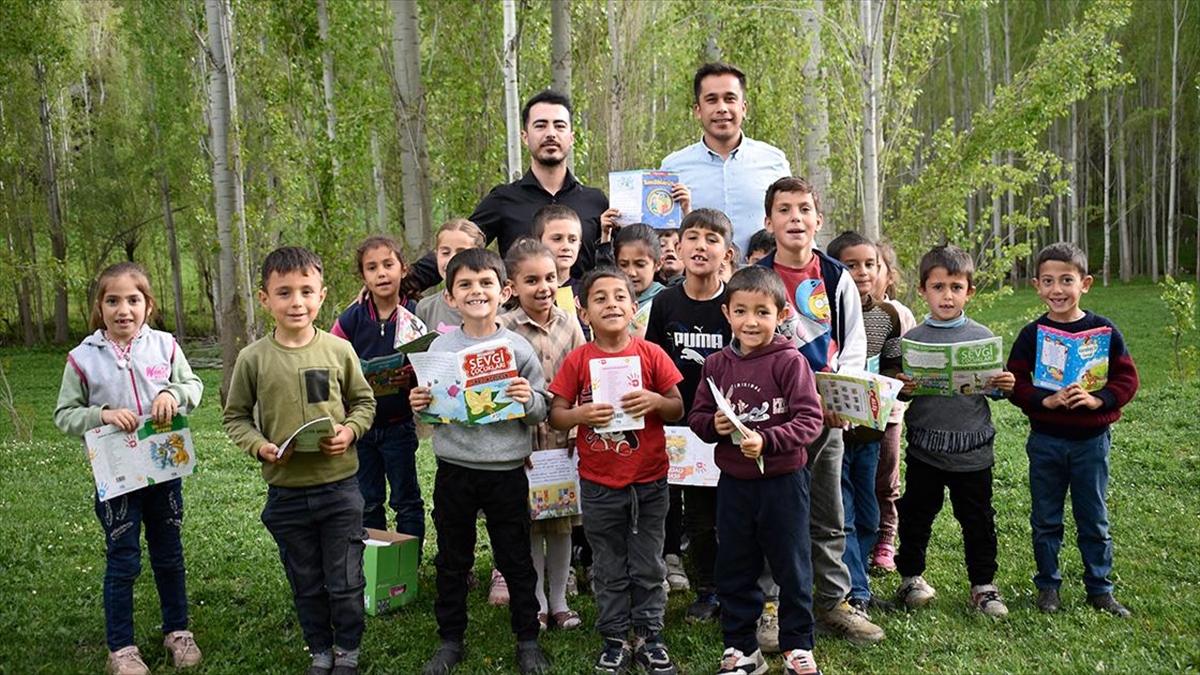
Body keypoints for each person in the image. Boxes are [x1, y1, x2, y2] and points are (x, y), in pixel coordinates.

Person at [223, 246, 377, 675]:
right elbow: (235, 417)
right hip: (286, 492)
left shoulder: (338, 351)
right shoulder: (253, 359)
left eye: (306, 292)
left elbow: (363, 403)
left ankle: (347, 648)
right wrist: (260, 446)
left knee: (345, 578)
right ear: (264, 298)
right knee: (305, 580)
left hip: (340, 487)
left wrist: (348, 431)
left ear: (322, 295)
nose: (296, 302)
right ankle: (320, 650)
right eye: (284, 292)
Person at [54, 262, 205, 675]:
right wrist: (100, 415)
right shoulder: (83, 359)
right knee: (123, 558)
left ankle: (178, 631)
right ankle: (121, 648)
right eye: (113, 300)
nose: (124, 309)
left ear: (148, 305)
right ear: (99, 308)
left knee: (169, 553)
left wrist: (173, 394)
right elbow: (64, 414)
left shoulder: (165, 346)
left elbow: (194, 386)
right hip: (117, 476)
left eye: (133, 300)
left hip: (163, 469)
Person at [411, 248, 551, 675]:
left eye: (486, 282)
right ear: (450, 297)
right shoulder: (439, 347)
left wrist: (530, 400)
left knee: (515, 559)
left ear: (504, 291)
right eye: (465, 285)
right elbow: (428, 406)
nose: (476, 291)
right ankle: (450, 639)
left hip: (506, 471)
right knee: (453, 559)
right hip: (455, 469)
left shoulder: (517, 347)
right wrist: (418, 403)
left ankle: (528, 640)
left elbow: (541, 409)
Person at [756, 177, 882, 645]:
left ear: (817, 220)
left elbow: (852, 344)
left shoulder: (834, 276)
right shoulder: (757, 278)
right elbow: (743, 342)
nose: (795, 218)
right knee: (771, 512)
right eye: (784, 210)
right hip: (769, 420)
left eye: (803, 209)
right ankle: (769, 606)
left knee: (827, 513)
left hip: (823, 418)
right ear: (768, 222)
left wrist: (834, 400)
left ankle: (833, 602)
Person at [689, 266, 826, 675]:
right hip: (734, 484)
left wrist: (768, 441)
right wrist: (713, 425)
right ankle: (741, 648)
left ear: (781, 315)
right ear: (727, 313)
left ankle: (797, 647)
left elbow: (809, 421)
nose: (751, 321)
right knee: (734, 564)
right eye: (742, 311)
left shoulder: (790, 362)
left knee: (792, 564)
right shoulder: (715, 364)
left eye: (762, 312)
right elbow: (697, 416)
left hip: (784, 482)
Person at [549, 267, 684, 675]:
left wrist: (654, 402)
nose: (611, 304)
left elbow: (677, 406)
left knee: (648, 563)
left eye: (620, 297)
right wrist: (580, 413)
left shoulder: (651, 354)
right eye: (600, 298)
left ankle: (648, 635)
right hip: (598, 483)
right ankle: (614, 637)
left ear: (633, 308)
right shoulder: (578, 360)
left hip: (649, 481)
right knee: (607, 564)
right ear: (584, 313)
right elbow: (556, 415)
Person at [1005, 242, 1139, 617]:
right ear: (1036, 285)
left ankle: (1100, 588)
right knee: (1046, 518)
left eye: (1067, 280)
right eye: (1048, 281)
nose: (1057, 289)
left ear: (1086, 283)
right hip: (1046, 441)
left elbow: (1128, 378)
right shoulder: (1033, 334)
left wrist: (1100, 400)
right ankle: (1048, 586)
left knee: (1093, 517)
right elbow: (1014, 379)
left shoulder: (1103, 330)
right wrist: (1040, 400)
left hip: (1090, 443)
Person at [892, 244, 1015, 619]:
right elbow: (901, 391)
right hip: (925, 447)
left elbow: (995, 390)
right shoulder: (913, 340)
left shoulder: (981, 335)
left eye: (956, 287)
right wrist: (903, 387)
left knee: (977, 519)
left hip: (973, 449)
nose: (947, 295)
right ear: (923, 290)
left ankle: (983, 587)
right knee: (916, 515)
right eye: (938, 286)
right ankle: (911, 578)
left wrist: (1003, 385)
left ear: (969, 291)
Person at [404, 90, 612, 293]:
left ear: (571, 137)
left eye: (559, 126)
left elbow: (627, 261)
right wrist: (401, 285)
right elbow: (460, 244)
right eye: (540, 125)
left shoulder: (595, 201)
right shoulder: (504, 200)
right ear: (524, 136)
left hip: (584, 319)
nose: (550, 133)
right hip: (519, 319)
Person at [645, 208, 735, 624]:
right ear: (677, 248)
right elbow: (653, 363)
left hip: (729, 426)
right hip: (681, 426)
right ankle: (709, 590)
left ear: (727, 253)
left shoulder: (736, 303)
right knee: (695, 516)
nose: (701, 246)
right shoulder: (665, 302)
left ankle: (737, 585)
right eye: (693, 238)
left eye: (712, 239)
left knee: (728, 514)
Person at [498, 239, 587, 630]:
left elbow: (583, 375)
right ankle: (535, 601)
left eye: (549, 277)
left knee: (563, 521)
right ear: (512, 286)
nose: (543, 287)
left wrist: (576, 426)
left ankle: (560, 601)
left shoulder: (570, 322)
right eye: (531, 280)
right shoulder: (504, 328)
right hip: (525, 440)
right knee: (533, 523)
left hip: (563, 438)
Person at [331, 235, 424, 550]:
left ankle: (408, 563)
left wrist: (409, 376)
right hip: (361, 429)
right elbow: (331, 359)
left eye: (388, 264)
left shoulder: (415, 314)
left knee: (406, 500)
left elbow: (431, 367)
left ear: (403, 268)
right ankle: (377, 564)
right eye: (371, 268)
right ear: (363, 277)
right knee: (369, 501)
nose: (381, 273)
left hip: (400, 425)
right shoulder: (351, 318)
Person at [827, 231, 902, 613]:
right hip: (837, 430)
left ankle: (858, 578)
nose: (861, 272)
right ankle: (856, 590)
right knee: (846, 513)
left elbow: (893, 365)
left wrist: (900, 382)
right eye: (851, 265)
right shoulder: (828, 312)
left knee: (870, 512)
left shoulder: (887, 316)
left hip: (872, 431)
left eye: (869, 264)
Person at [661, 62, 791, 253]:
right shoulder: (673, 167)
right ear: (698, 110)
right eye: (711, 100)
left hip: (764, 279)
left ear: (744, 108)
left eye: (730, 99)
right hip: (699, 280)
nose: (722, 108)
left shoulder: (773, 161)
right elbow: (662, 235)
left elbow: (795, 225)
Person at [870, 240, 916, 573]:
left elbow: (909, 360)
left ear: (889, 276)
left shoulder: (898, 313)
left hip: (889, 413)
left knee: (886, 479)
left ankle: (886, 539)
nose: (866, 274)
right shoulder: (844, 308)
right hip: (852, 411)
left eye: (875, 267)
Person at [416, 219, 487, 335]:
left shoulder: (493, 305)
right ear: (436, 255)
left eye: (461, 253)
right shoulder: (425, 308)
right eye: (445, 253)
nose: (451, 261)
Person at [612, 224, 667, 339]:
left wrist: (649, 339)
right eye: (623, 265)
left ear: (658, 264)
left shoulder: (667, 302)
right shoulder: (609, 301)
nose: (631, 272)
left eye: (640, 265)